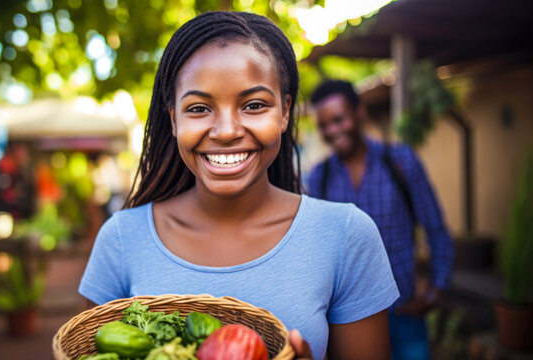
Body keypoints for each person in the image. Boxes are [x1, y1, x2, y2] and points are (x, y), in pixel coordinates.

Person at [80, 12, 399, 359]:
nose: (227, 130)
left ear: (285, 112)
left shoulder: (346, 236)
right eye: (199, 108)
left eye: (254, 105)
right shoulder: (122, 239)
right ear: (174, 119)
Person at [305, 80, 455, 360]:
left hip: (405, 310)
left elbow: (435, 228)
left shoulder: (401, 162)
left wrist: (435, 290)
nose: (332, 131)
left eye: (339, 119)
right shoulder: (318, 178)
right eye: (324, 125)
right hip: (347, 318)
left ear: (359, 112)